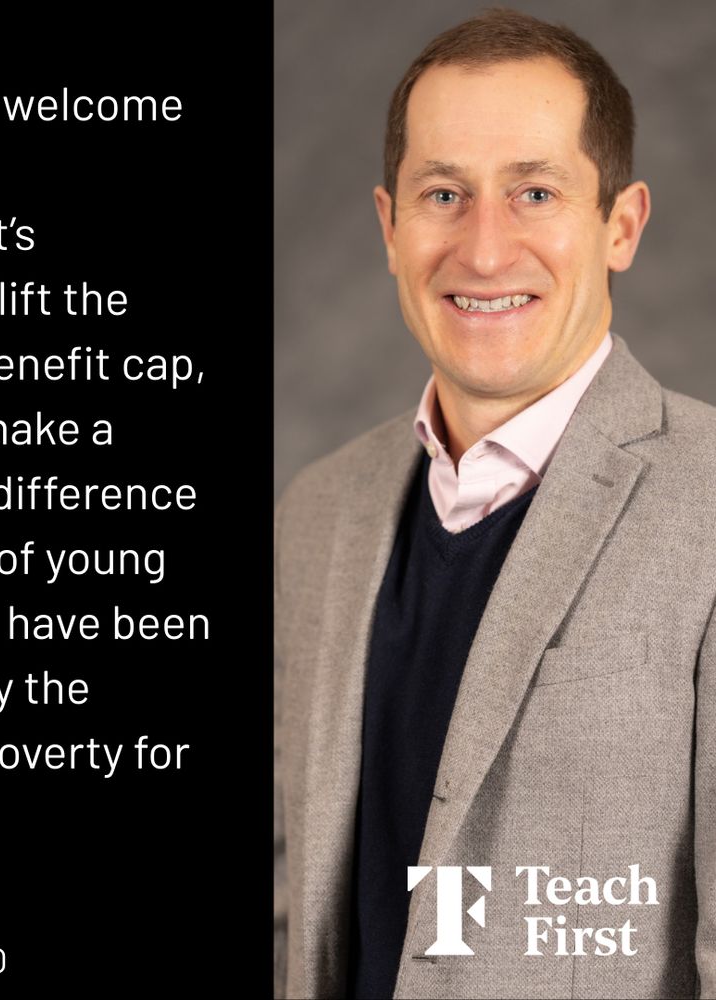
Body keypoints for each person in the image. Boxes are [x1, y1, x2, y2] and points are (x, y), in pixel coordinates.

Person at [274, 9, 714, 999]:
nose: (482, 250)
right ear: (389, 228)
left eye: (534, 192)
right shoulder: (314, 514)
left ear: (621, 224)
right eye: (444, 194)